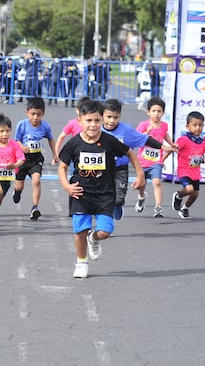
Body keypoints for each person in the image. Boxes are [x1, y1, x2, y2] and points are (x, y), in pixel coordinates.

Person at [57, 99, 144, 279]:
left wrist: (140, 174)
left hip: (105, 194)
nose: (93, 125)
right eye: (89, 120)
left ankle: (94, 239)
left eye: (97, 120)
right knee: (80, 231)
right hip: (81, 193)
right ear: (80, 120)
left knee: (105, 232)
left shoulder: (108, 141)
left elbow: (129, 153)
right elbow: (62, 167)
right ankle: (81, 261)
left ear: (102, 121)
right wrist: (66, 186)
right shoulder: (74, 143)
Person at [100, 98, 162, 220]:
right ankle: (106, 225)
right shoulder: (96, 130)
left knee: (118, 198)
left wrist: (163, 146)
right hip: (102, 169)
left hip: (120, 169)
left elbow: (144, 139)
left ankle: (118, 206)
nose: (112, 121)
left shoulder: (126, 130)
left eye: (116, 117)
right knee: (104, 198)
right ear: (102, 115)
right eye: (109, 117)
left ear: (120, 116)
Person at [13, 97, 58, 220]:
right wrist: (22, 147)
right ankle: (17, 192)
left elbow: (50, 139)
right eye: (32, 114)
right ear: (27, 112)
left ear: (43, 114)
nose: (35, 117)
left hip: (36, 158)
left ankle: (35, 208)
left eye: (38, 114)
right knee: (19, 186)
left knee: (36, 180)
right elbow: (16, 140)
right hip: (22, 158)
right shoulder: (22, 125)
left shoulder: (45, 126)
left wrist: (55, 154)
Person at [136, 96, 176, 217]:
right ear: (148, 112)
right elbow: (137, 138)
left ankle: (158, 206)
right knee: (141, 184)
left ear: (163, 113)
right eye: (153, 111)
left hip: (156, 161)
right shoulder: (143, 124)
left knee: (157, 182)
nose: (156, 114)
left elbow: (165, 135)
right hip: (142, 161)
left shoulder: (163, 125)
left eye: (159, 111)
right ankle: (142, 197)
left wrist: (171, 143)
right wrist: (146, 133)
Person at [172, 111, 205, 220]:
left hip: (195, 172)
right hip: (184, 170)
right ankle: (178, 195)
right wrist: (164, 158)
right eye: (194, 125)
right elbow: (175, 147)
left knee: (195, 194)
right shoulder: (184, 139)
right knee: (189, 189)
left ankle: (185, 208)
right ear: (187, 126)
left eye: (200, 125)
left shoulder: (204, 140)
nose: (198, 128)